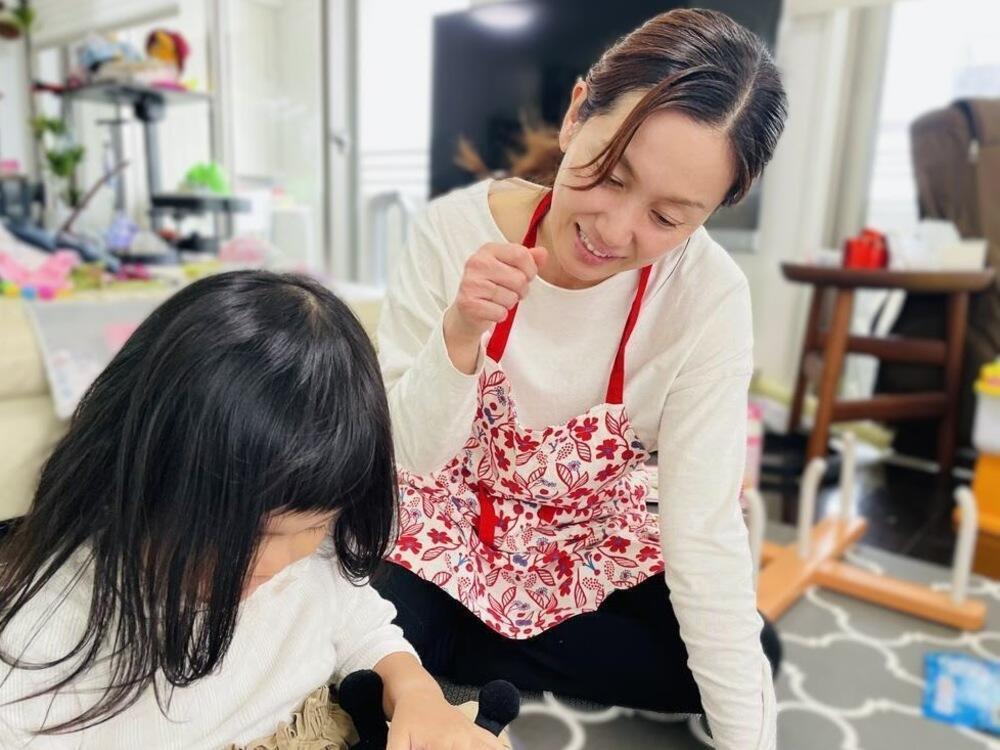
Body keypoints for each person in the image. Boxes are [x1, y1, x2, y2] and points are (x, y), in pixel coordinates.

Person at [374, 8, 788, 749]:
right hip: (451, 531)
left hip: (584, 541)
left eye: (668, 217)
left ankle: (473, 646)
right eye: (610, 175)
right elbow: (410, 455)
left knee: (750, 655)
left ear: (710, 214)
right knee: (365, 622)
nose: (614, 231)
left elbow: (702, 531)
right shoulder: (452, 230)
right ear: (575, 116)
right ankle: (463, 639)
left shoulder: (709, 298)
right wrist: (459, 336)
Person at [0, 271, 504, 750]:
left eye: (312, 525)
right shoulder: (44, 640)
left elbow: (360, 624)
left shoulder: (313, 562)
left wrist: (416, 691)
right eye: (245, 532)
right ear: (145, 477)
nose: (270, 563)